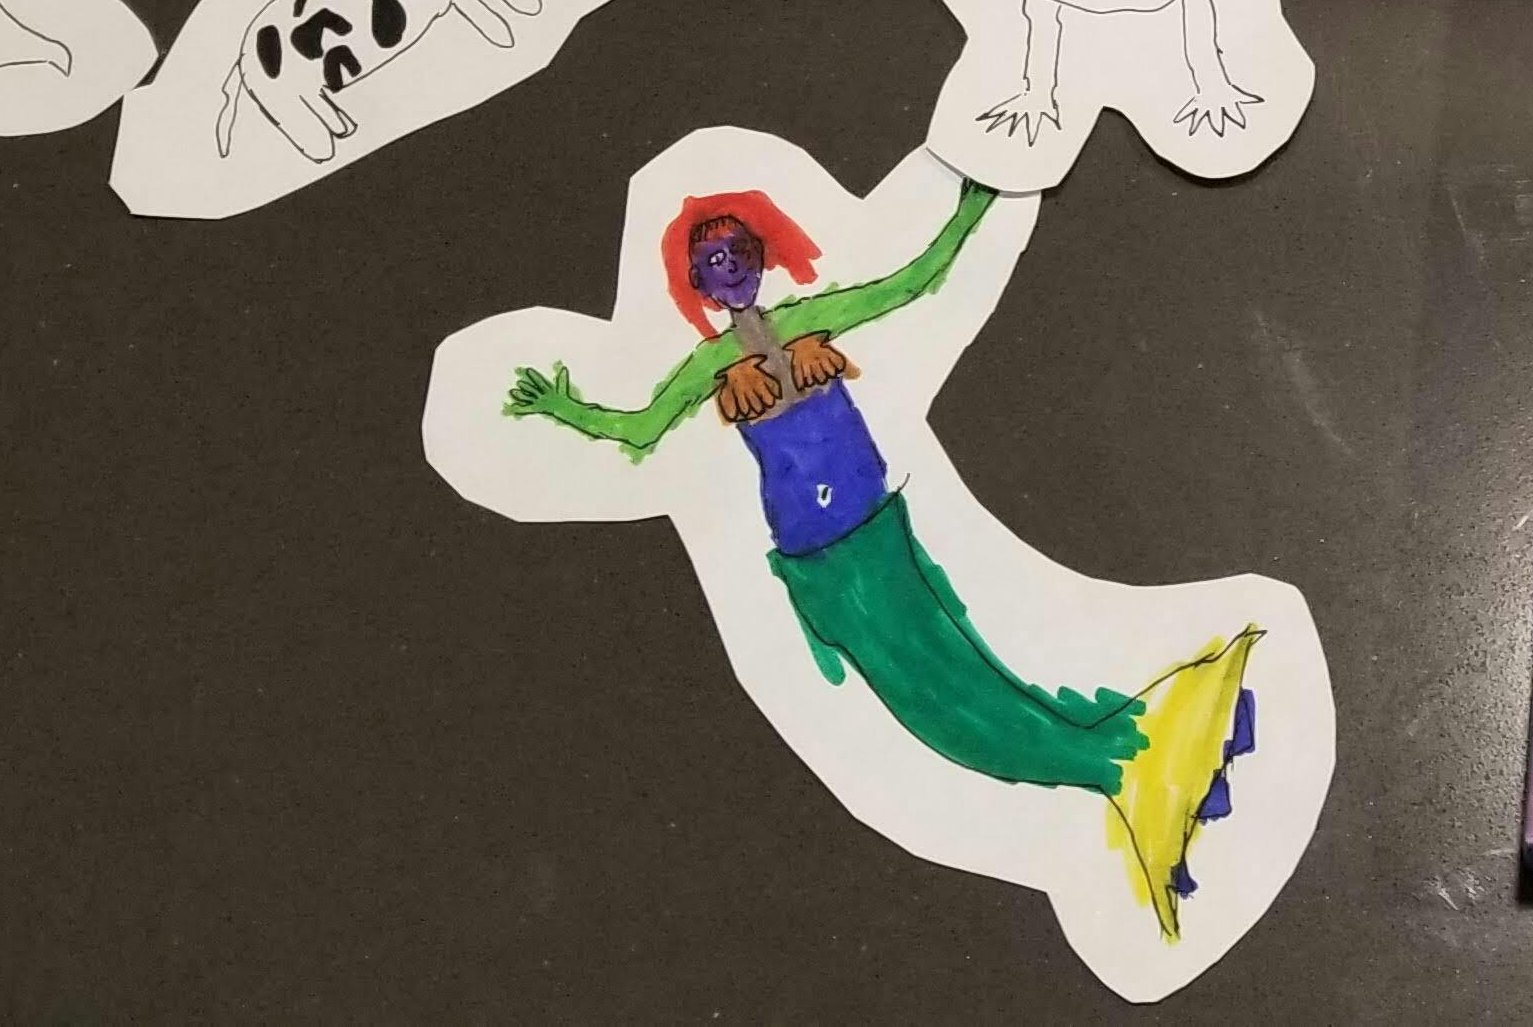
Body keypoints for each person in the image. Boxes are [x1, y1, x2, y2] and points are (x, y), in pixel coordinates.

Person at [503, 186, 1258, 937]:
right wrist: (560, 407)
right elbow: (641, 427)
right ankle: (1127, 765)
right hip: (822, 562)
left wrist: (967, 208)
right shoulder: (707, 366)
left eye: (738, 252)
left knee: (966, 682)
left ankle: (1128, 759)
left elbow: (910, 282)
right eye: (712, 261)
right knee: (934, 709)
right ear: (698, 282)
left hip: (875, 532)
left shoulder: (813, 316)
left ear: (762, 257)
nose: (729, 268)